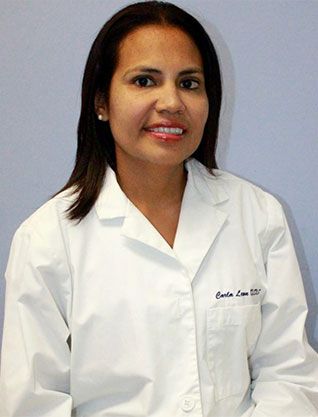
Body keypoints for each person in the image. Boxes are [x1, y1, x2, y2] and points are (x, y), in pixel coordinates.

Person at [0, 1, 318, 416]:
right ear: (101, 101)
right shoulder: (46, 240)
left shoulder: (258, 216)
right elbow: (33, 404)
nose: (171, 102)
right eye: (145, 80)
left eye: (189, 84)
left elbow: (289, 376)